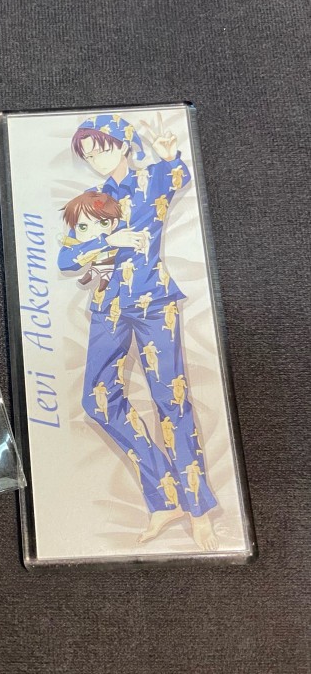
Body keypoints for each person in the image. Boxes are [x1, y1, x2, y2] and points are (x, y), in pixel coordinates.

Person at [57, 113, 218, 550]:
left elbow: (180, 175)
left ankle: (198, 510)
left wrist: (170, 156)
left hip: (154, 304)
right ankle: (165, 496)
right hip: (108, 306)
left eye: (102, 149)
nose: (96, 160)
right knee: (97, 400)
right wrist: (108, 241)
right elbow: (66, 259)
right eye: (88, 156)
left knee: (171, 401)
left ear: (124, 144)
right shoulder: (92, 203)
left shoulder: (152, 180)